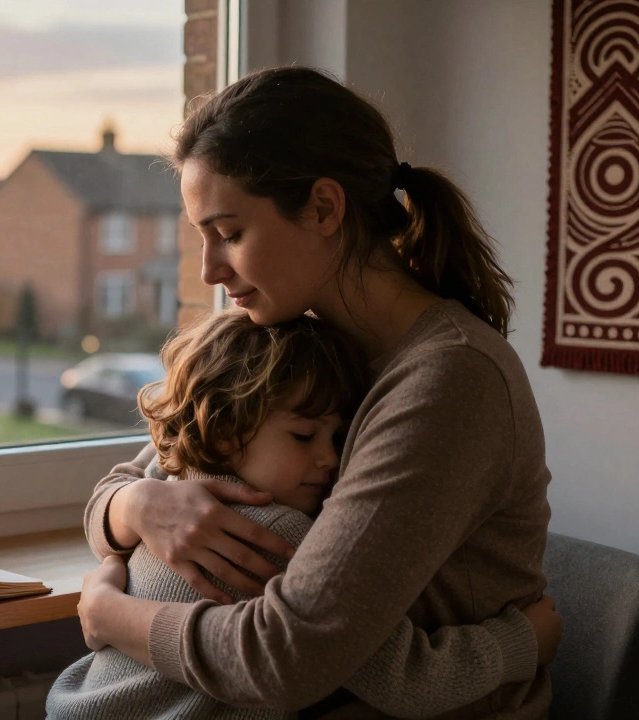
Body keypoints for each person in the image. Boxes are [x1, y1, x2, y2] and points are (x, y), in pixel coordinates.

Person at [75, 66, 555, 719]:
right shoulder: (301, 344)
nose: (211, 271)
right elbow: (133, 478)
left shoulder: (450, 381)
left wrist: (109, 614)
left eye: (230, 233)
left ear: (324, 208)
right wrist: (138, 506)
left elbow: (286, 658)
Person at [47, 309, 559, 720]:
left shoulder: (167, 478)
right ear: (225, 431)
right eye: (303, 435)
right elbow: (405, 681)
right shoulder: (285, 537)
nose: (330, 459)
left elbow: (121, 485)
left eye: (336, 438)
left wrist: (111, 581)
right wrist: (518, 643)